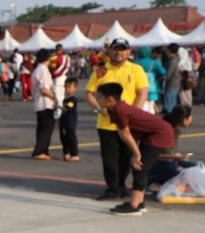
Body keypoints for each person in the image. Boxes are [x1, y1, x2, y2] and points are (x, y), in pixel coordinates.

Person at [95, 82, 174, 216]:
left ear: (110, 99)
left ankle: (134, 205)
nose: (98, 100)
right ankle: (139, 202)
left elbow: (125, 133)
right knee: (138, 166)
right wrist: (136, 153)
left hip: (160, 135)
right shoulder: (116, 109)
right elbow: (131, 131)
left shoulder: (120, 110)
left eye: (100, 97)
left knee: (140, 167)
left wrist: (136, 154)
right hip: (150, 135)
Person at [85, 38, 149, 200]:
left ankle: (121, 185)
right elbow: (89, 94)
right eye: (116, 49)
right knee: (109, 159)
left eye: (123, 49)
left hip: (128, 123)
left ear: (128, 52)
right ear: (109, 51)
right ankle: (112, 188)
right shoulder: (101, 71)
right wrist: (99, 109)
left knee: (126, 157)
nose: (119, 52)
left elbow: (142, 92)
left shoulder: (136, 70)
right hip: (107, 123)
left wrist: (133, 112)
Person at [148, 105, 196, 189]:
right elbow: (152, 155)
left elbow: (170, 151)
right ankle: (148, 180)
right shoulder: (164, 130)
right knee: (177, 172)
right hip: (153, 163)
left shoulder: (177, 129)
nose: (191, 120)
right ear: (184, 119)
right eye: (190, 117)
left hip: (168, 161)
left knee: (195, 166)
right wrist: (174, 157)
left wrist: (176, 156)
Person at [31, 48, 57, 160]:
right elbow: (44, 89)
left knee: (42, 128)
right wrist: (54, 98)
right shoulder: (43, 70)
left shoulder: (38, 69)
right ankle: (39, 151)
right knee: (46, 129)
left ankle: (44, 150)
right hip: (45, 103)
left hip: (40, 103)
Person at [135, 46, 165, 113]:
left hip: (139, 86)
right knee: (151, 105)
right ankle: (151, 120)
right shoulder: (154, 62)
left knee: (143, 104)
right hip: (152, 86)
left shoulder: (135, 62)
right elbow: (163, 72)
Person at [59, 78, 79, 162]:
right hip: (63, 122)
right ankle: (66, 154)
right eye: (66, 87)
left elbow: (66, 109)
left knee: (71, 138)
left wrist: (57, 106)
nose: (67, 89)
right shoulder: (65, 99)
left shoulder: (73, 100)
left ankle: (75, 154)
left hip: (70, 123)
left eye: (69, 87)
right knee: (64, 138)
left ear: (75, 88)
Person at [162, 43, 180, 113]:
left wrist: (164, 80)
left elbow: (168, 73)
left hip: (171, 84)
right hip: (173, 83)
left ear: (169, 50)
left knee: (169, 103)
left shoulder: (173, 60)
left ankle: (171, 120)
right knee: (172, 102)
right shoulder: (174, 59)